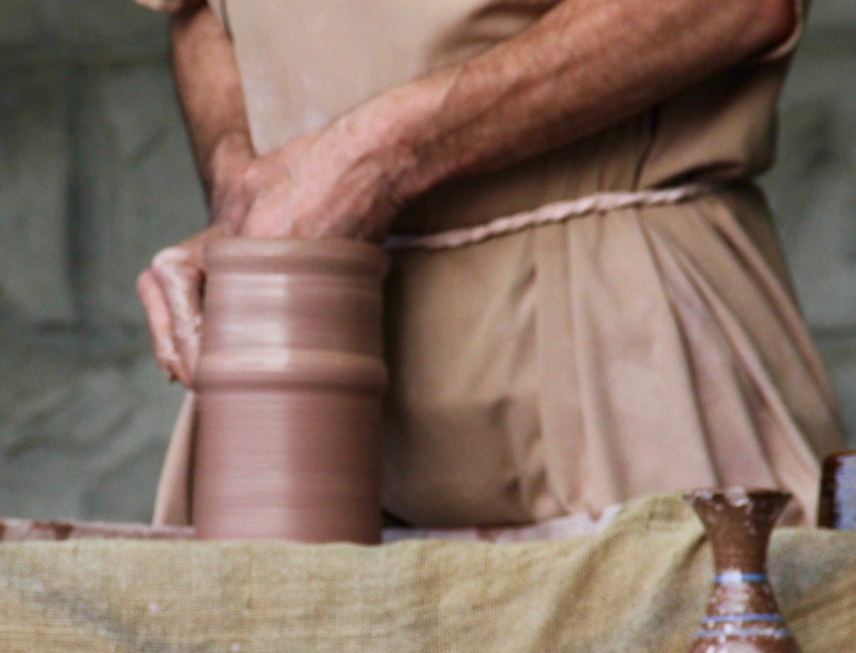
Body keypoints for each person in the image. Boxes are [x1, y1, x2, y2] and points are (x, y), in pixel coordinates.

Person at [134, 0, 846, 528]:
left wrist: (383, 154)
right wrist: (246, 197)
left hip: (615, 317)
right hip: (299, 330)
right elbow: (194, 12)